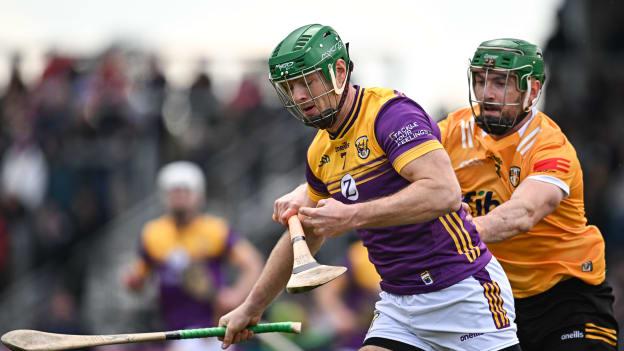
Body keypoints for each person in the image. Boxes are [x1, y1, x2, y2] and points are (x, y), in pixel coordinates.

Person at [218, 24, 521, 351]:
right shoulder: (320, 152)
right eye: (289, 87)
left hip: (461, 291)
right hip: (399, 304)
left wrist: (351, 216)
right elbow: (304, 234)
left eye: (305, 82)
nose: (299, 96)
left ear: (337, 72)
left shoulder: (390, 115)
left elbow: (444, 193)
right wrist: (251, 308)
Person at [437, 38, 618, 350]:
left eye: (500, 82)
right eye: (480, 80)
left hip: (567, 297)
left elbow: (523, 213)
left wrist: (456, 233)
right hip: (493, 299)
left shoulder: (550, 146)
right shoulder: (454, 129)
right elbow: (404, 160)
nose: (487, 94)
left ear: (532, 91)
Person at [124, 161, 262, 351]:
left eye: (185, 191)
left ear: (198, 194)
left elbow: (252, 263)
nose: (179, 197)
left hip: (214, 330)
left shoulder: (215, 229)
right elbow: (138, 278)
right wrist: (133, 282)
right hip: (174, 331)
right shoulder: (152, 233)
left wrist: (235, 296)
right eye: (174, 191)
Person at [313, 239, 381, 351]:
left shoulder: (413, 252)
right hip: (357, 340)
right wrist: (340, 315)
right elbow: (327, 290)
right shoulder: (362, 253)